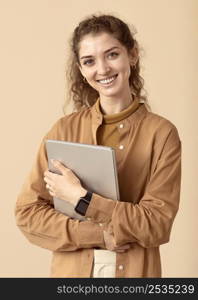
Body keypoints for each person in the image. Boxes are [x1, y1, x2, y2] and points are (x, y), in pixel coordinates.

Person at [15, 14, 181, 278]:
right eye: (89, 61)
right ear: (81, 70)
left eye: (112, 54)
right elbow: (28, 214)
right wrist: (99, 235)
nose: (102, 69)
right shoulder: (64, 130)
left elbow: (157, 224)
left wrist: (83, 200)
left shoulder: (161, 134)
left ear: (133, 55)